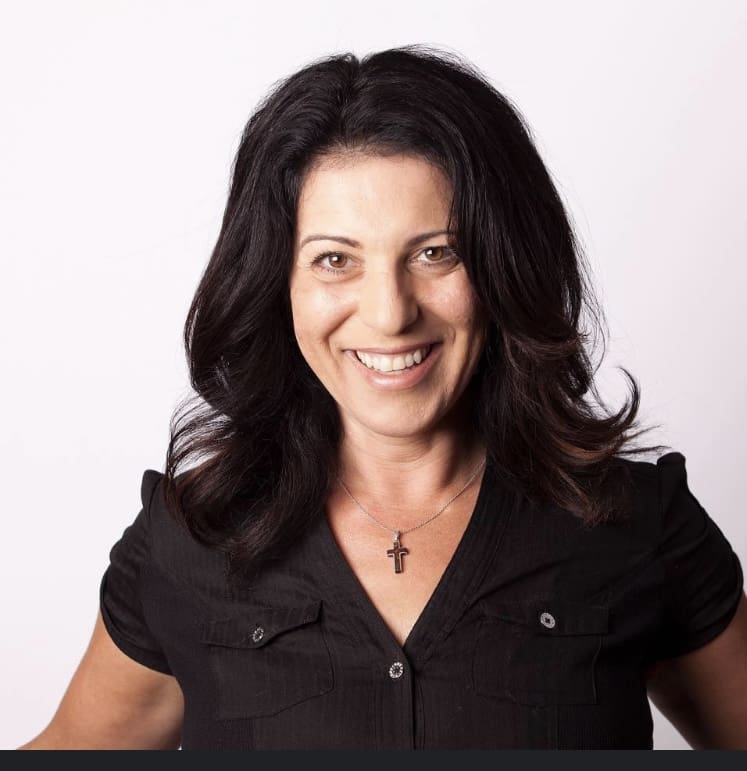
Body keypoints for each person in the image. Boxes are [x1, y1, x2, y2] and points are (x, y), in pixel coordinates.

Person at [19, 45, 746, 751]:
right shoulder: (190, 540)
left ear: (501, 262)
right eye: (335, 259)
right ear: (278, 284)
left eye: (435, 252)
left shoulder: (637, 525)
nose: (389, 312)